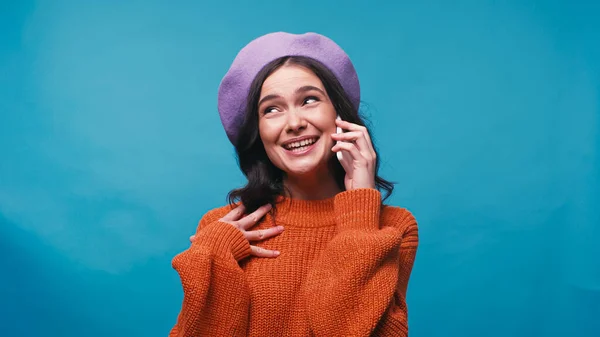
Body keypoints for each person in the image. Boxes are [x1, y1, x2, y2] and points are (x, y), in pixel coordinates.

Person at [168, 32, 419, 337]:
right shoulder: (224, 229)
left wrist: (359, 216)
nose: (293, 123)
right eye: (271, 109)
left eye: (309, 100)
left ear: (339, 115)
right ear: (258, 133)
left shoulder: (394, 227)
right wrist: (213, 256)